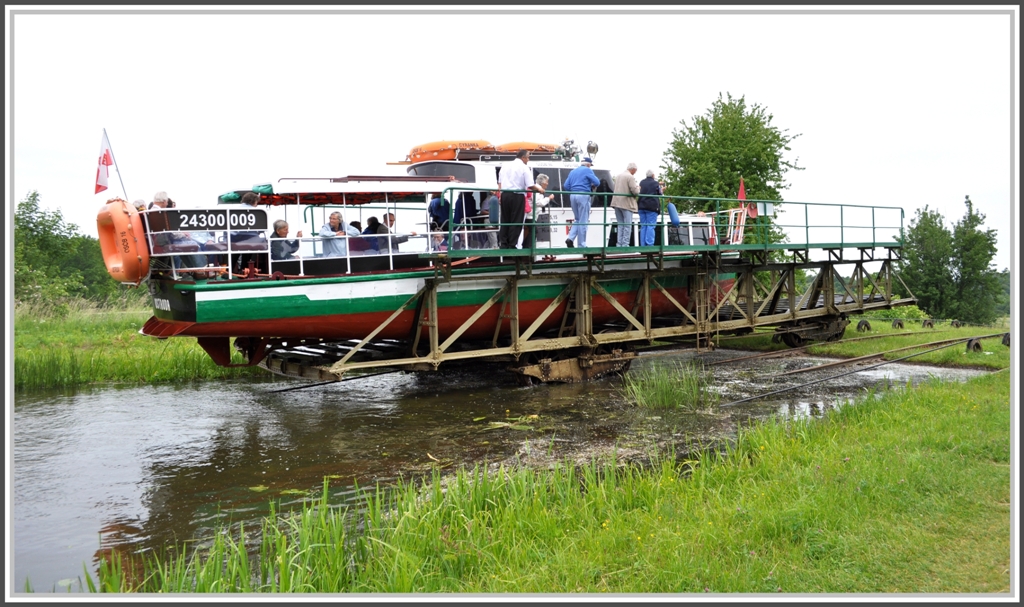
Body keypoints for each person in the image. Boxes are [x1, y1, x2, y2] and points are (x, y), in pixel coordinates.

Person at [149, 191, 207, 273]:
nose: (166, 204)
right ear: (164, 201)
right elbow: (170, 231)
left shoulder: (150, 212)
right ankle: (203, 269)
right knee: (192, 244)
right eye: (166, 202)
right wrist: (183, 234)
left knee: (184, 244)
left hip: (157, 241)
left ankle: (195, 270)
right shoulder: (160, 213)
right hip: (163, 242)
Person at [496, 149, 544, 249]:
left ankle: (503, 244)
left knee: (505, 220)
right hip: (517, 196)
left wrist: (500, 195)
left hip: (505, 195)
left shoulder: (505, 165)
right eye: (528, 157)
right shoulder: (524, 167)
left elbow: (499, 183)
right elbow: (530, 185)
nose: (528, 160)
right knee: (516, 221)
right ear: (523, 158)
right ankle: (512, 244)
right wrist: (539, 189)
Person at [562, 157, 600, 248]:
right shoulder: (587, 170)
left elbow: (566, 186)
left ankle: (570, 239)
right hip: (583, 195)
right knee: (583, 220)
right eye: (590, 165)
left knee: (577, 219)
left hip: (573, 196)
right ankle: (582, 245)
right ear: (588, 164)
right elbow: (597, 182)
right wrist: (591, 185)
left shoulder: (573, 171)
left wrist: (573, 191)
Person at [611, 163, 640, 246]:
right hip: (626, 204)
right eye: (635, 170)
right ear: (633, 169)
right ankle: (625, 244)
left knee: (620, 225)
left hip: (616, 203)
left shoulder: (618, 176)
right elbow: (635, 191)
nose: (635, 172)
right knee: (627, 225)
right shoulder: (630, 177)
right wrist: (638, 188)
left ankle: (619, 243)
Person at [637, 170, 662, 246]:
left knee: (643, 226)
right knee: (651, 226)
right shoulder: (655, 183)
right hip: (651, 207)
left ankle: (643, 245)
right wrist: (662, 189)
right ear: (653, 175)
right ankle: (650, 245)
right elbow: (660, 193)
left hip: (641, 206)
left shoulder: (641, 182)